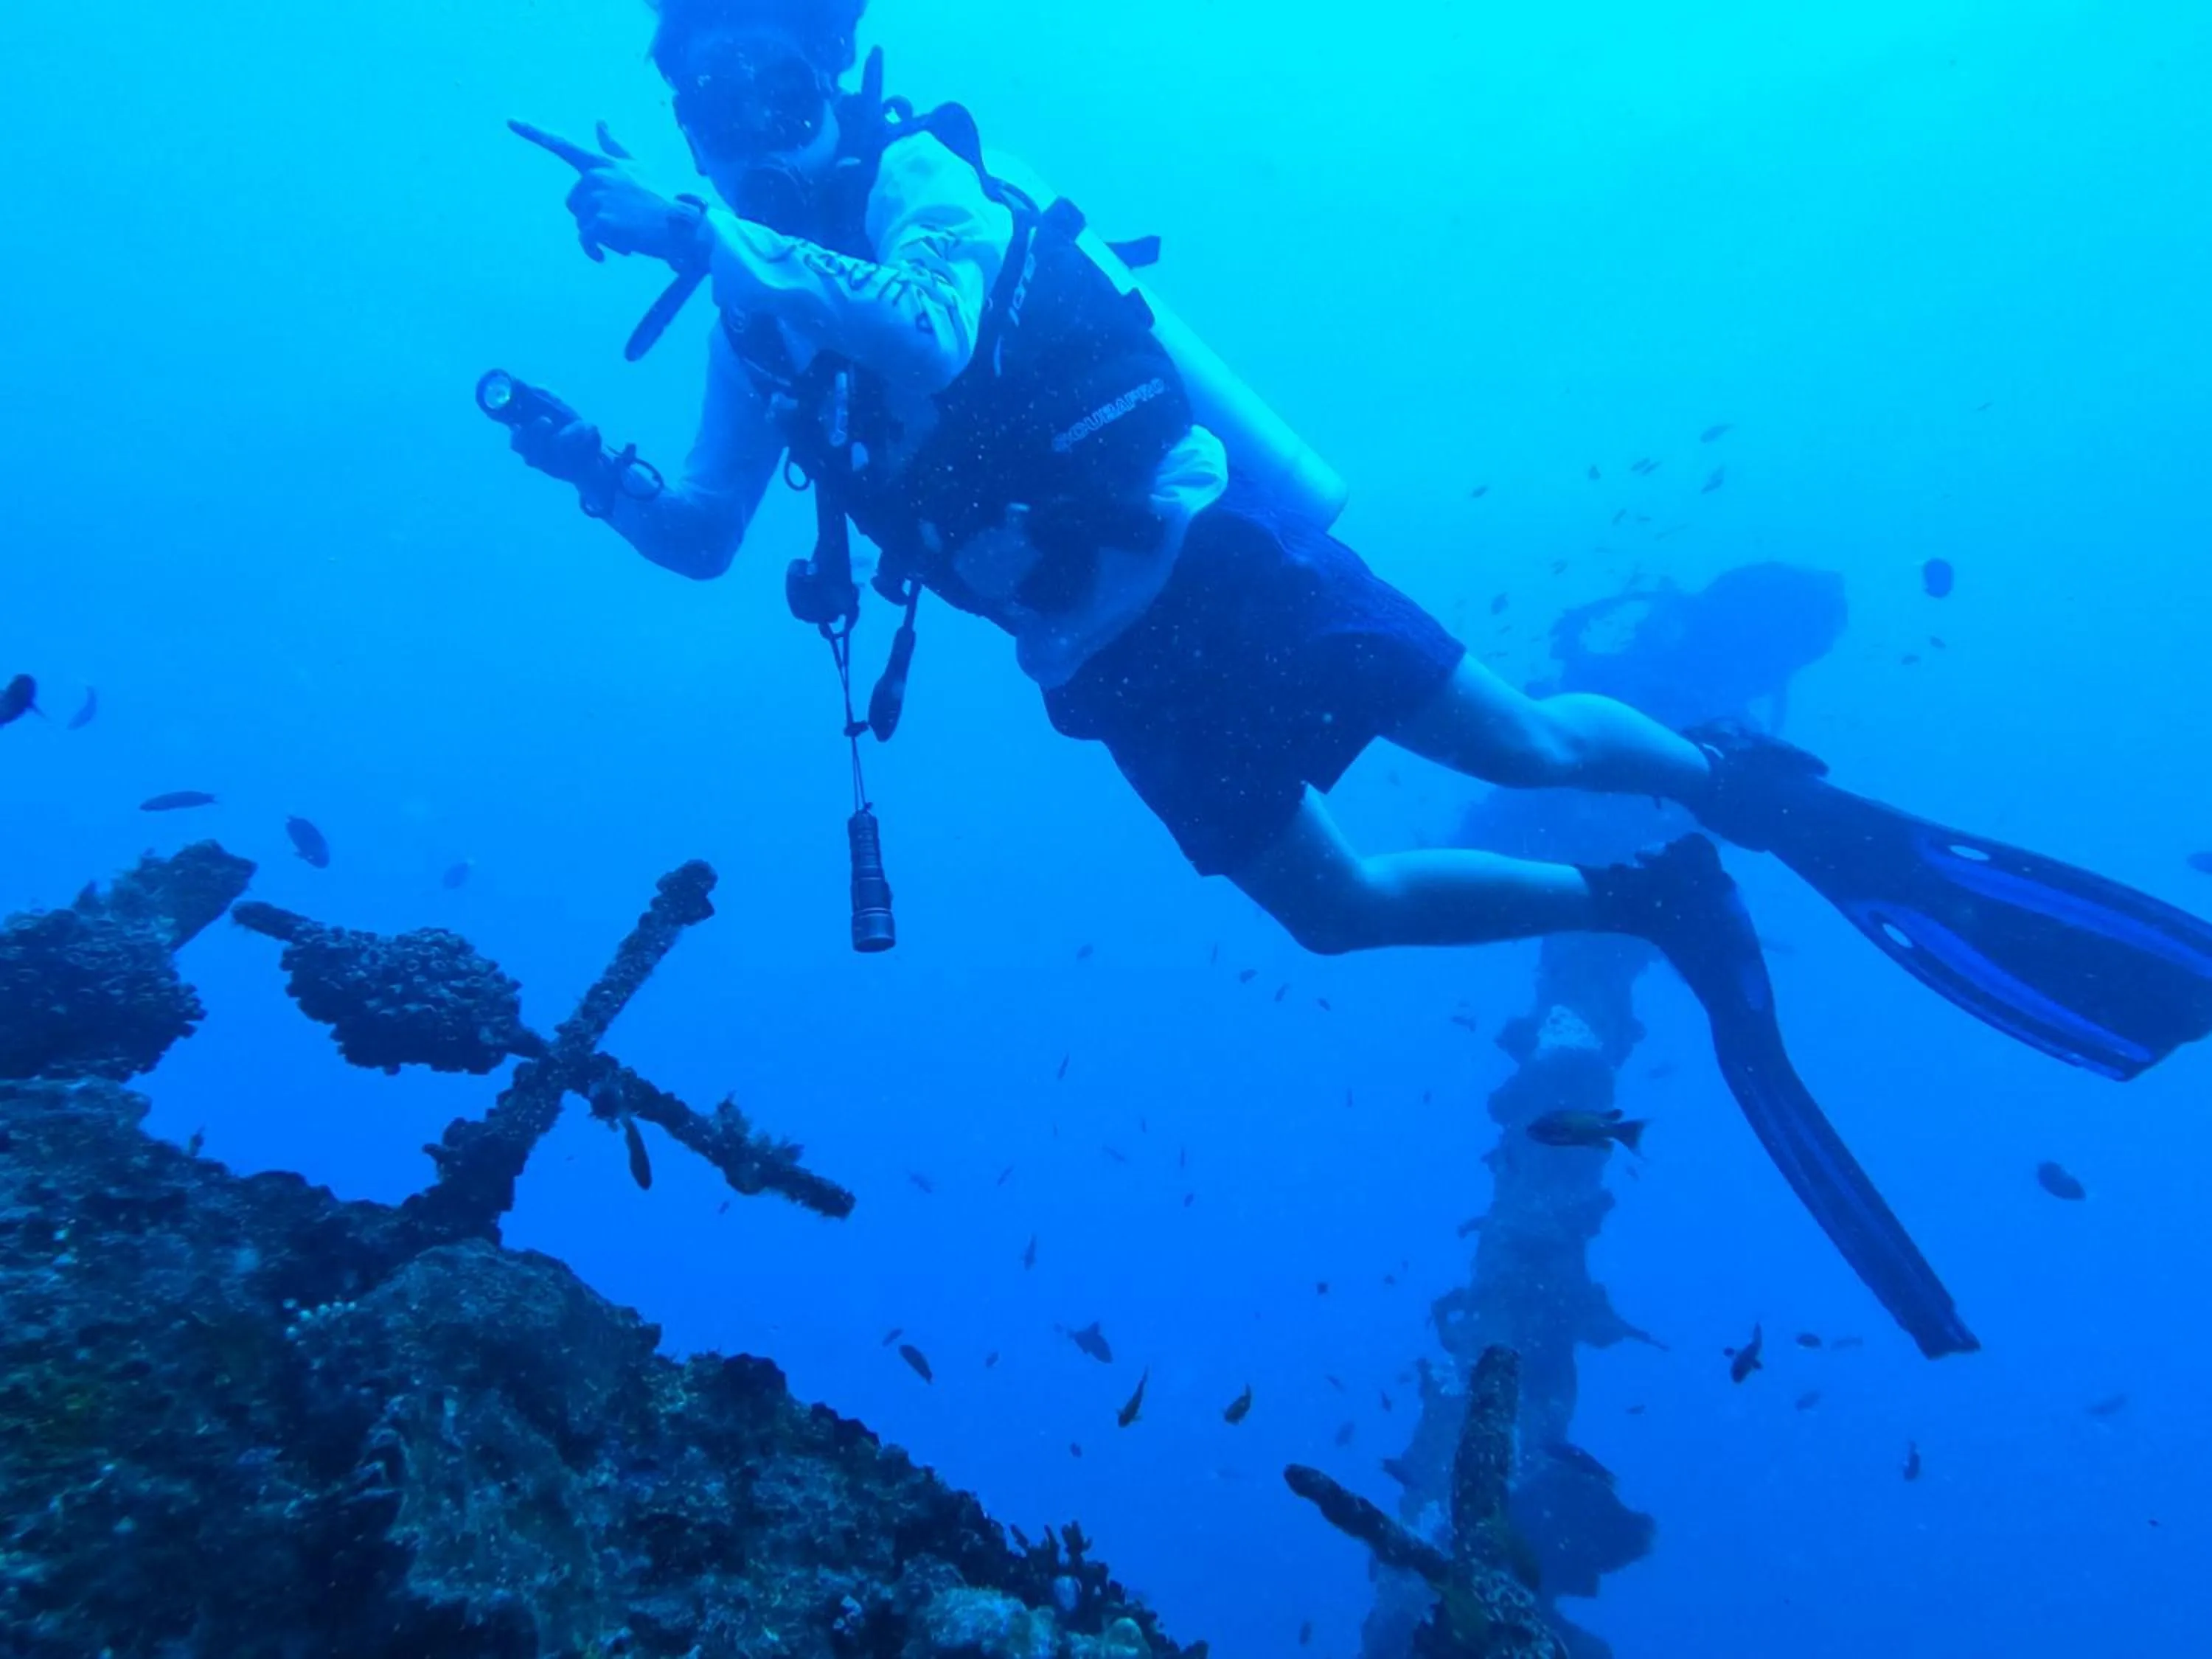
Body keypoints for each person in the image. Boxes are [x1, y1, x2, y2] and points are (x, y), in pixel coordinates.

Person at [504, 0, 2212, 1357]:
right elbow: (709, 535)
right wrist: (596, 473)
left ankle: (1727, 786)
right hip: (1097, 656)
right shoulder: (746, 315)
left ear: (826, 66)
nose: (728, 115)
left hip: (1218, 557)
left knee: (1524, 736)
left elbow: (934, 330)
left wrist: (693, 238)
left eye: (756, 72)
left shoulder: (919, 182)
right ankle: (1653, 896)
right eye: (694, 90)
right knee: (1331, 909)